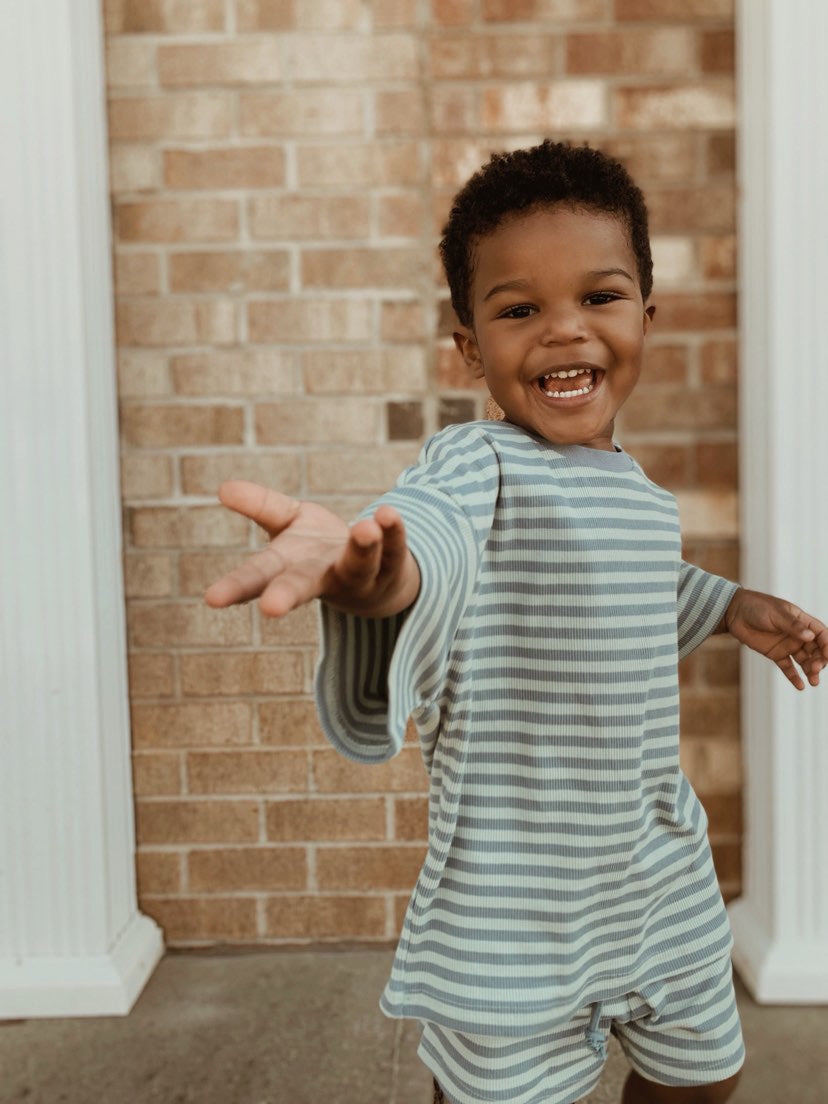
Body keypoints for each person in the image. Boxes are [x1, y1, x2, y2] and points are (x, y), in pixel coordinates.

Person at [204, 140, 827, 1104]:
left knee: (707, 1076)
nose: (564, 332)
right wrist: (380, 582)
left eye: (600, 298)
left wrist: (733, 606)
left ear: (646, 317)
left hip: (655, 872)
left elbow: (633, 588)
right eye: (520, 309)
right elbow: (440, 546)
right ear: (470, 346)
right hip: (516, 899)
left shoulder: (639, 493)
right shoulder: (476, 467)